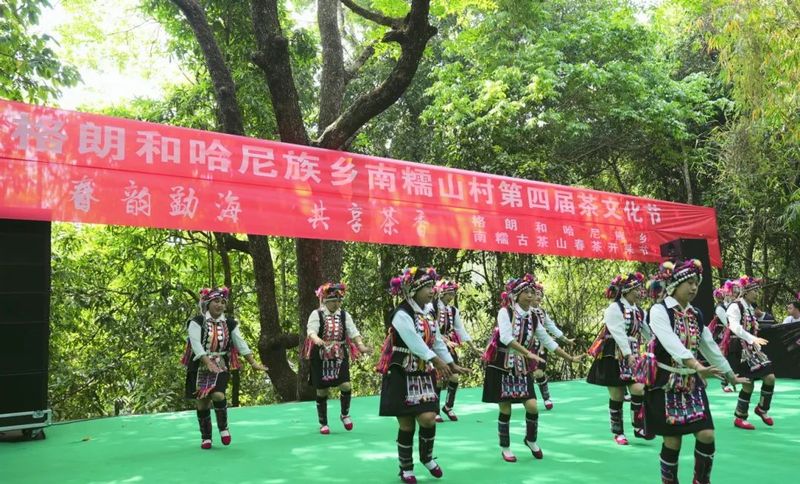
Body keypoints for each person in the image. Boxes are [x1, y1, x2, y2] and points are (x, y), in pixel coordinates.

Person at [642, 259, 747, 484]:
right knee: (673, 442)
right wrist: (697, 366)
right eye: (689, 282)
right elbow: (672, 344)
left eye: (696, 283)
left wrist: (730, 374)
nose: (693, 288)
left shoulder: (695, 314)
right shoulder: (659, 311)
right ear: (674, 285)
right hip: (666, 382)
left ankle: (701, 481)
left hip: (691, 383)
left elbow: (709, 347)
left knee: (707, 435)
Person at [376, 267, 469, 484]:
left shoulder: (428, 312)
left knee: (428, 418)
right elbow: (413, 342)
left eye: (432, 286)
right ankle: (406, 468)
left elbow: (436, 341)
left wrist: (450, 364)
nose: (432, 291)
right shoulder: (401, 313)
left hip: (422, 372)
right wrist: (435, 360)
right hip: (402, 370)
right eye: (427, 287)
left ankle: (426, 457)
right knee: (407, 423)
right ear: (413, 289)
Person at [482, 274, 583, 462]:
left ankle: (531, 439)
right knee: (505, 409)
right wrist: (528, 353)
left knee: (532, 406)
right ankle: (505, 447)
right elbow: (505, 337)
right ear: (517, 295)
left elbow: (547, 341)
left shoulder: (534, 317)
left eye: (532, 292)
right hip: (502, 365)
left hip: (521, 367)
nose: (530, 296)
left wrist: (570, 358)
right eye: (526, 292)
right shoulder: (506, 312)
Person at [181, 287, 267, 449]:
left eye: (222, 302)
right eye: (216, 301)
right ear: (207, 303)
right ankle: (206, 437)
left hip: (221, 363)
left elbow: (240, 343)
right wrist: (207, 362)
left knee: (219, 395)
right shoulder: (197, 321)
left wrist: (253, 362)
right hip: (199, 365)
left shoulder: (230, 323)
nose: (220, 305)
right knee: (202, 402)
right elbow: (196, 344)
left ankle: (223, 428)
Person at [587, 272, 652, 444]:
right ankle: (618, 432)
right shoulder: (614, 309)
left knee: (639, 389)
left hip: (632, 351)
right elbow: (618, 333)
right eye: (637, 289)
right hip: (613, 354)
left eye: (640, 289)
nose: (640, 292)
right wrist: (628, 354)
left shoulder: (639, 311)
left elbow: (648, 333)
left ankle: (638, 425)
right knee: (616, 395)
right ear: (626, 291)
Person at [303, 282, 372, 434]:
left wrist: (361, 346)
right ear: (326, 301)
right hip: (320, 356)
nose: (337, 303)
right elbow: (311, 331)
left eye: (339, 301)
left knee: (346, 385)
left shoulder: (344, 315)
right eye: (334, 301)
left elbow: (353, 332)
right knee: (322, 390)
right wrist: (317, 340)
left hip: (339, 354)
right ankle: (323, 423)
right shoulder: (317, 314)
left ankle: (345, 414)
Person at [721, 276, 776, 429]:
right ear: (745, 291)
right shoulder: (735, 306)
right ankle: (740, 417)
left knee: (769, 377)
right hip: (739, 349)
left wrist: (754, 342)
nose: (757, 293)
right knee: (748, 385)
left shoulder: (749, 308)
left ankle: (762, 408)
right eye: (754, 290)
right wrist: (752, 339)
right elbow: (735, 327)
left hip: (751, 348)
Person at [429, 279, 474, 422]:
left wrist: (473, 346)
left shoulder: (453, 310)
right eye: (449, 293)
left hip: (449, 346)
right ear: (441, 293)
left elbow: (460, 329)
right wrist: (444, 340)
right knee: (438, 379)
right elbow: (432, 329)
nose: (451, 296)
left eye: (453, 293)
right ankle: (435, 410)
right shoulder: (432, 307)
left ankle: (448, 406)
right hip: (435, 345)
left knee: (454, 377)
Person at [530, 280, 576, 410]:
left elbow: (551, 326)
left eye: (540, 294)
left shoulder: (542, 312)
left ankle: (546, 397)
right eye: (536, 294)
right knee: (528, 374)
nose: (539, 297)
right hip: (525, 346)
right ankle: (529, 399)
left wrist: (565, 339)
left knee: (538, 373)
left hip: (540, 347)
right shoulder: (522, 311)